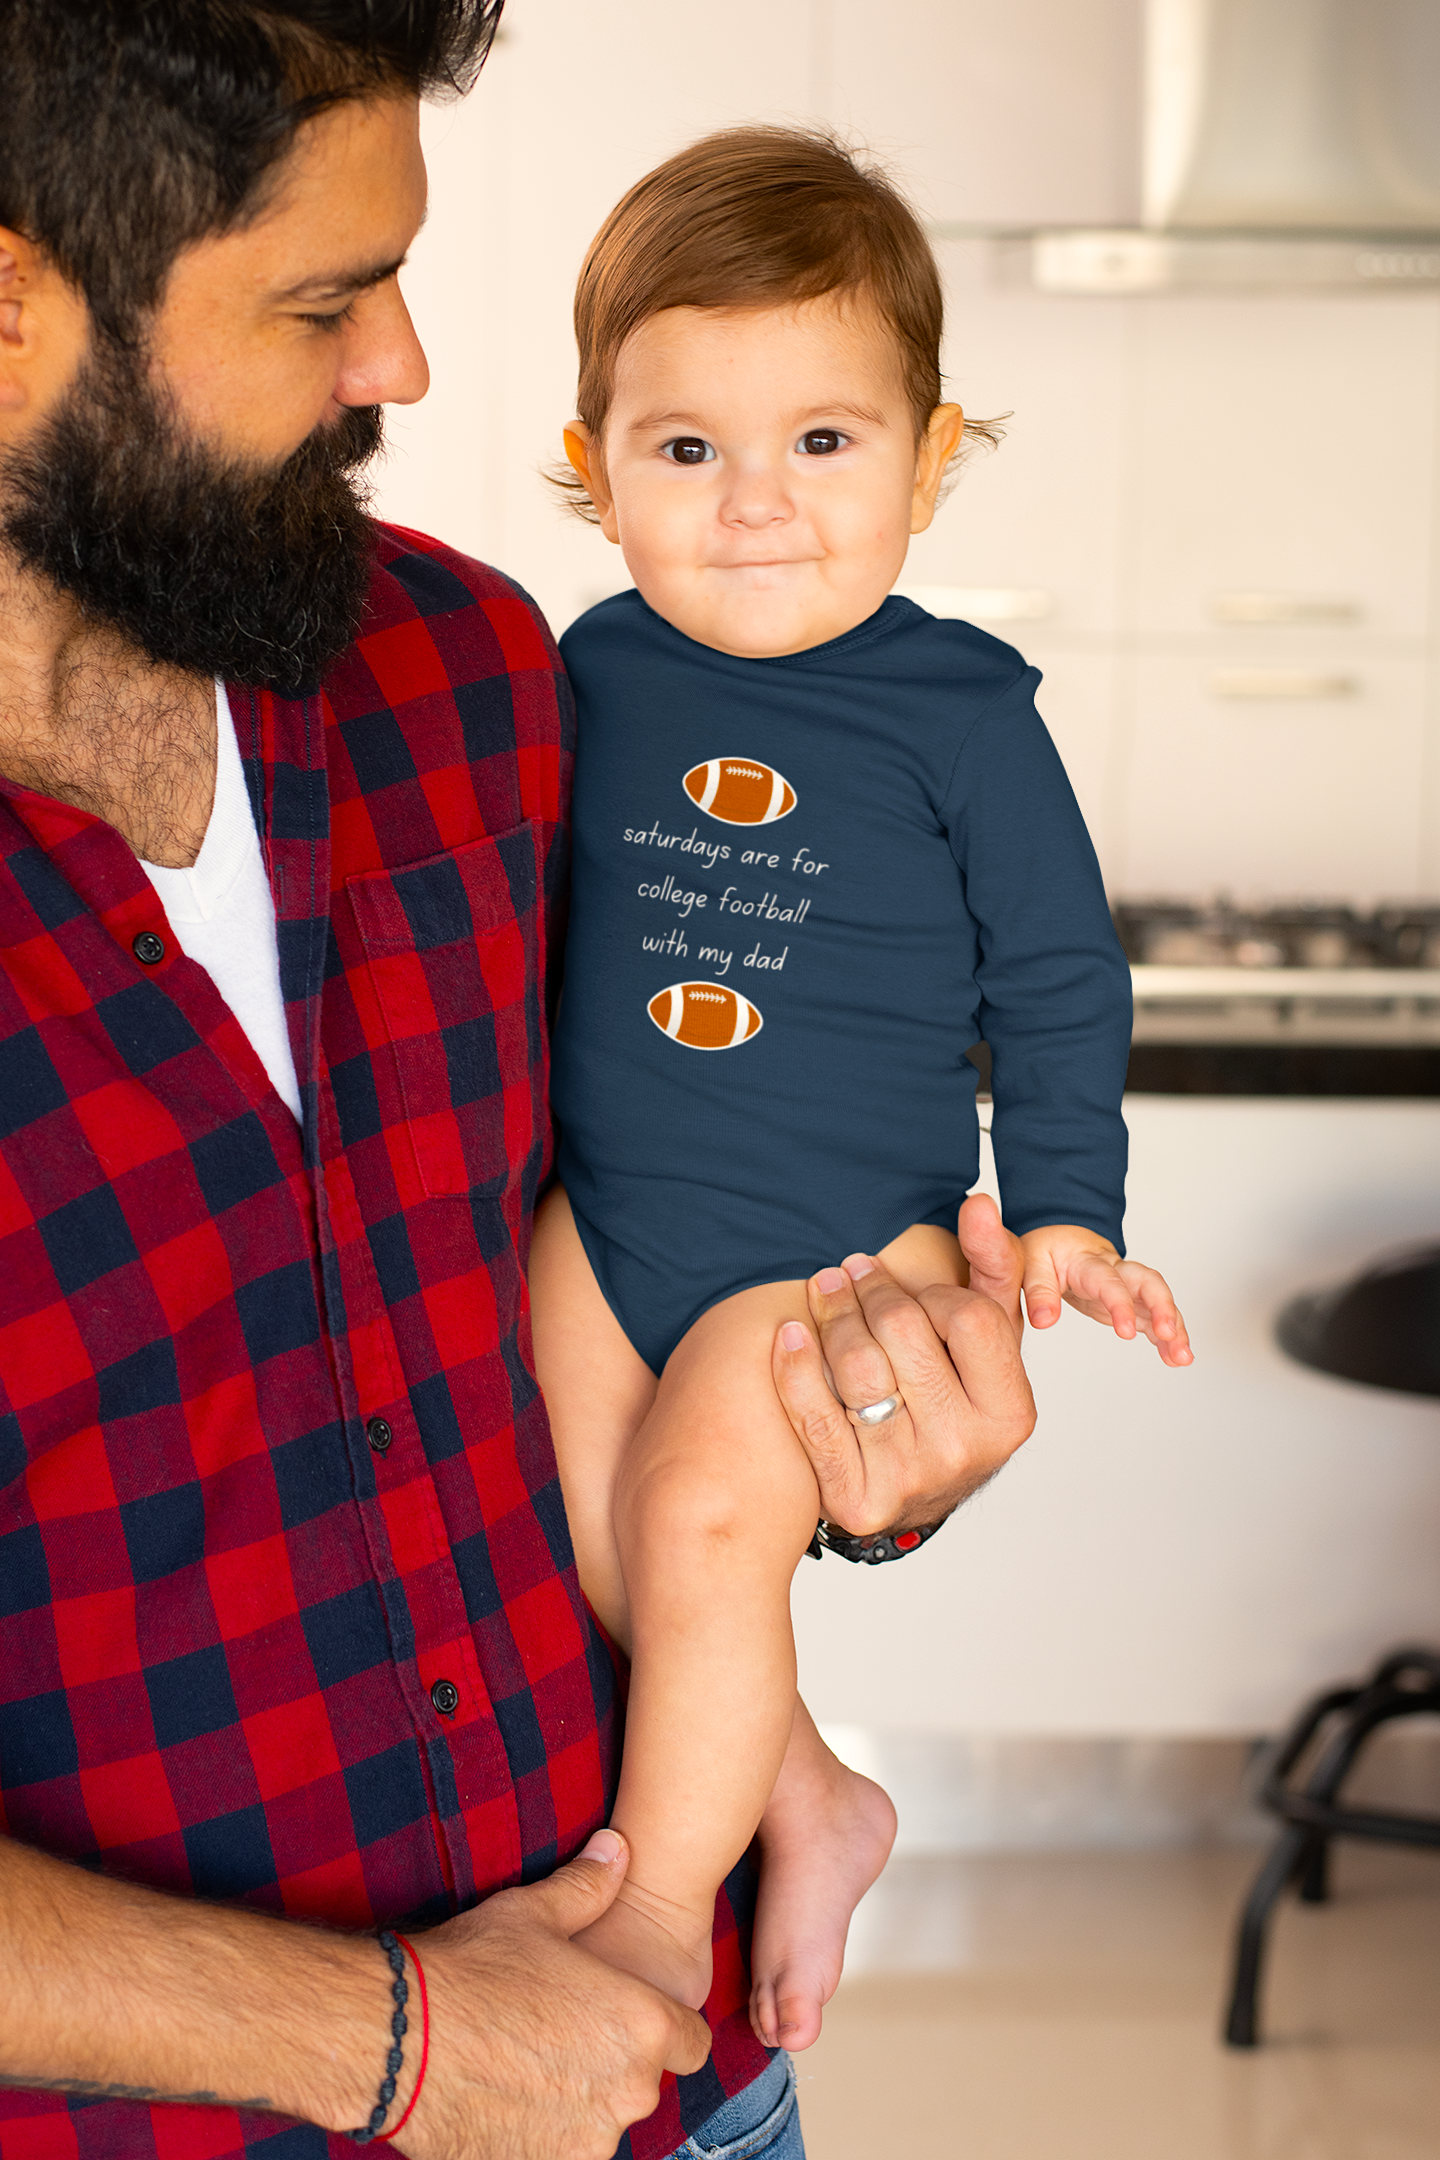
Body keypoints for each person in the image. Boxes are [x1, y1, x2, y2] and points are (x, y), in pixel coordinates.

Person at [0, 11, 1040, 2160]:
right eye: (317, 300)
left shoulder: (466, 678)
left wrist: (874, 1447)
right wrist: (386, 2044)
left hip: (687, 2094)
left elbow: (621, 1277)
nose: (403, 365)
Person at [531, 127, 1195, 2058]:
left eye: (823, 442)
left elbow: (1060, 972)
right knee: (570, 1485)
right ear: (593, 468)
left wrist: (1067, 1210)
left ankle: (661, 1909)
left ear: (930, 449)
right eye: (684, 451)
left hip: (828, 1257)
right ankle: (812, 1788)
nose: (754, 505)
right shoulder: (587, 670)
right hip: (615, 1216)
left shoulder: (963, 706)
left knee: (715, 1520)